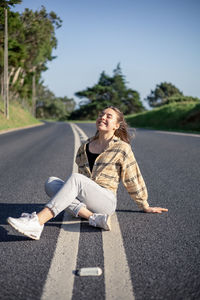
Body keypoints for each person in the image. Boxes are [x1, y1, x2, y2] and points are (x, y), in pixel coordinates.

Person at [7, 106, 168, 240]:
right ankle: (93, 218)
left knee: (75, 179)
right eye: (101, 115)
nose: (103, 117)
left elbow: (133, 178)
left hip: (106, 201)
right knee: (51, 182)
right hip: (87, 199)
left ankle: (37, 222)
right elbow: (80, 181)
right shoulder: (85, 146)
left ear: (116, 126)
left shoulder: (122, 148)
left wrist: (144, 205)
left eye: (109, 116)